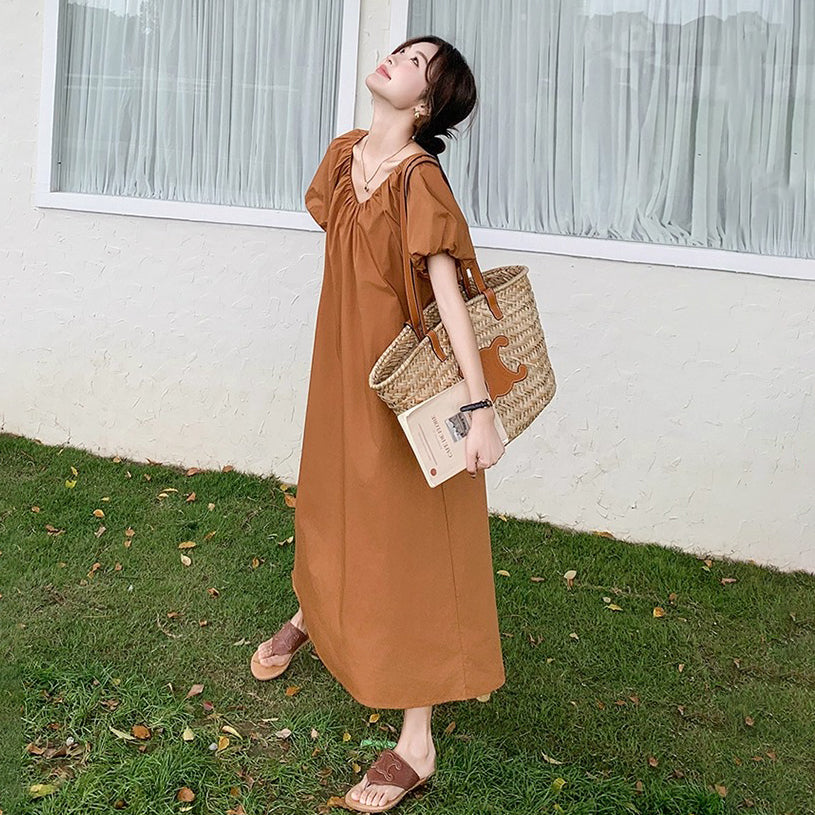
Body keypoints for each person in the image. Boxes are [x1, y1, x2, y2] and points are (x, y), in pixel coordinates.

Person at [250, 36, 506, 813]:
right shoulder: (344, 157)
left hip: (401, 390)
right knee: (331, 500)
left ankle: (415, 742)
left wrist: (479, 408)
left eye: (417, 63)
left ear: (426, 104)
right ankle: (314, 611)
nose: (397, 58)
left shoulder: (419, 179)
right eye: (401, 49)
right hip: (341, 369)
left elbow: (449, 295)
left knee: (408, 536)